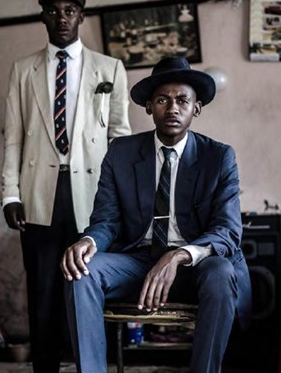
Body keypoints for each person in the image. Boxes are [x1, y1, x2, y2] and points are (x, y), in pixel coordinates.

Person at [61, 56, 252, 373]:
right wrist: (89, 241)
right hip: (137, 262)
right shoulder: (121, 153)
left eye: (182, 100)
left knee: (221, 272)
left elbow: (227, 232)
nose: (173, 108)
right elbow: (107, 220)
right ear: (149, 106)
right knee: (82, 269)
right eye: (163, 99)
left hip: (196, 269)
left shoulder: (218, 157)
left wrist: (177, 256)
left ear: (197, 107)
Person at [1, 0, 131, 372]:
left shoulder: (110, 69)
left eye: (69, 11)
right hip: (38, 195)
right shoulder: (23, 70)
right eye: (53, 11)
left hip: (95, 198)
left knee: (94, 287)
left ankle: (95, 367)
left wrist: (121, 199)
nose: (62, 18)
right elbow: (12, 136)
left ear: (81, 16)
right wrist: (10, 194)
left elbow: (120, 140)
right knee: (42, 294)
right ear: (43, 16)